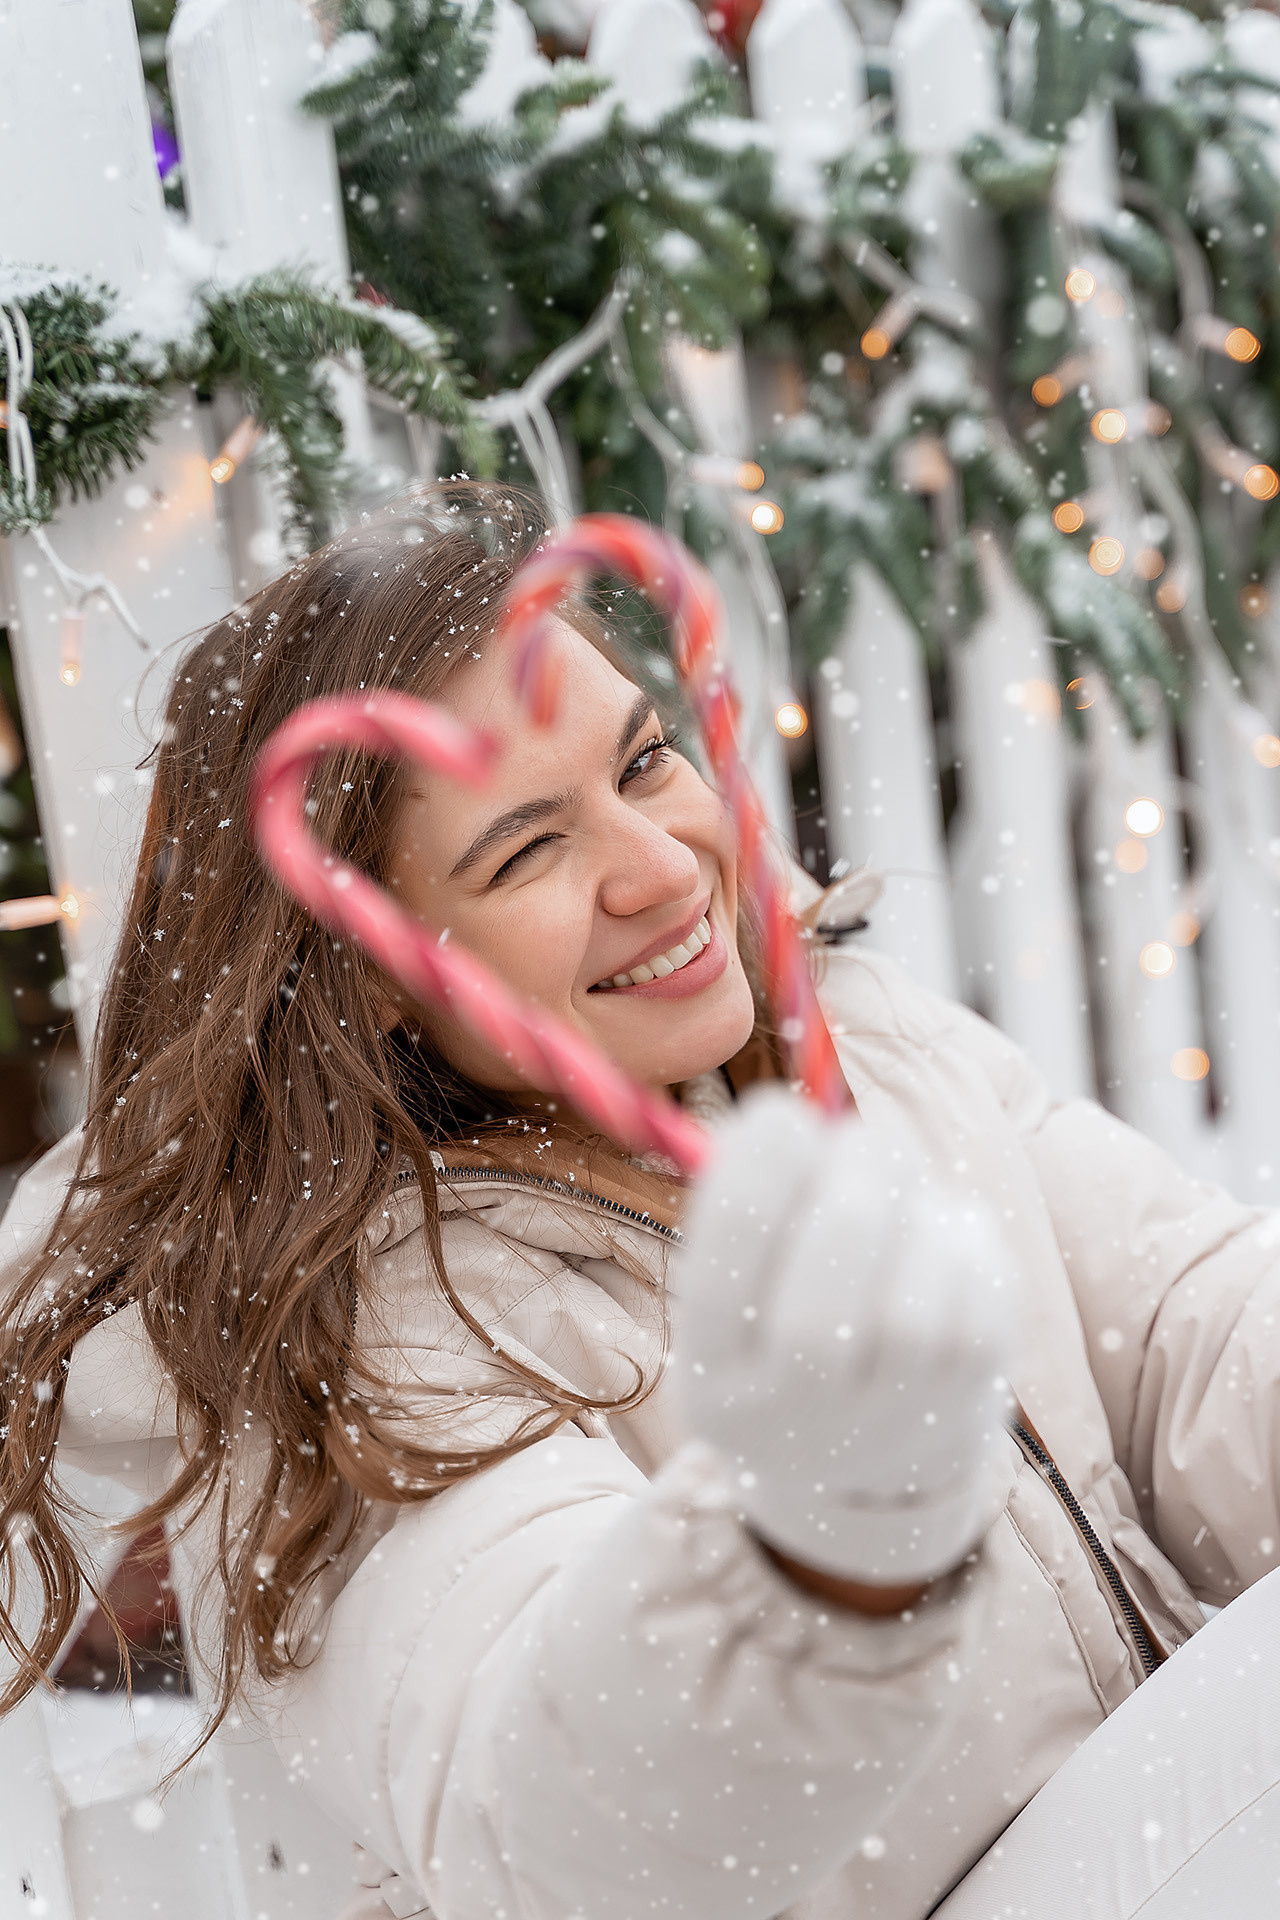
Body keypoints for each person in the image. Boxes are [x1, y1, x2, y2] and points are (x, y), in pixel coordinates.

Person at [2, 482, 1280, 1920]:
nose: (664, 867)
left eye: (647, 759)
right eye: (527, 848)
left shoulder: (863, 1051)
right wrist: (817, 1544)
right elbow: (561, 1829)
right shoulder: (359, 1340)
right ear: (370, 973)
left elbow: (1191, 1346)